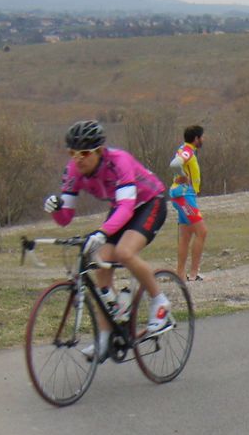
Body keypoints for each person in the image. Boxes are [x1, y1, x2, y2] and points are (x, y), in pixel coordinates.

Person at [43, 120, 170, 362]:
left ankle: (160, 302)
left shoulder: (118, 161)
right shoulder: (73, 171)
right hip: (122, 208)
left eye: (84, 153)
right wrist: (55, 208)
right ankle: (105, 335)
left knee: (123, 252)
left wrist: (101, 233)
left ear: (100, 151)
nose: (78, 159)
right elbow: (65, 218)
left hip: (149, 202)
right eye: (73, 153)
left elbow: (126, 206)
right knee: (99, 259)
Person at [169, 125, 208, 282]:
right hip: (184, 195)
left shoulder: (185, 149)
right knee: (202, 231)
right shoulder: (188, 150)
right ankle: (193, 274)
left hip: (183, 195)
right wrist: (182, 175)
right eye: (202, 137)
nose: (203, 139)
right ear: (196, 138)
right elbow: (174, 164)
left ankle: (180, 275)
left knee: (186, 235)